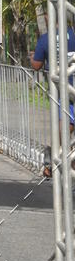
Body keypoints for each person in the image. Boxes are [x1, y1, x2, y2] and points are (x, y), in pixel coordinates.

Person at [32, 25, 75, 178]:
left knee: (66, 124)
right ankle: (56, 161)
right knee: (67, 126)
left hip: (61, 88)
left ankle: (51, 160)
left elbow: (36, 65)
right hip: (68, 87)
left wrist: (35, 56)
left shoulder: (45, 39)